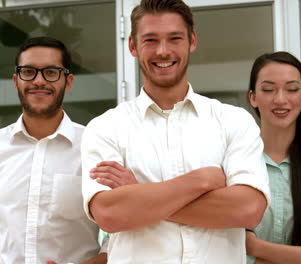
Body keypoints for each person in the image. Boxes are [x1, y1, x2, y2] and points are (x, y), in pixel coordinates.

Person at [80, 0, 271, 263]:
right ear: (132, 46)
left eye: (174, 38)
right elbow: (110, 214)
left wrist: (140, 193)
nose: (162, 51)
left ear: (192, 41)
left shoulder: (233, 121)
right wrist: (202, 180)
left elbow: (248, 209)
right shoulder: (105, 128)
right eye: (150, 40)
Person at [0, 36, 106, 264]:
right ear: (16, 81)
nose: (39, 81)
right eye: (29, 72)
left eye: (50, 72)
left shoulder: (94, 147)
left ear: (68, 82)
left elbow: (120, 235)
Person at [245, 51, 301, 264]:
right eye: (268, 89)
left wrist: (256, 247)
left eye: (292, 89)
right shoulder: (234, 164)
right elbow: (216, 244)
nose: (280, 99)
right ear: (252, 97)